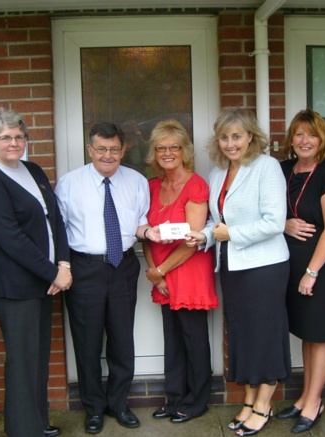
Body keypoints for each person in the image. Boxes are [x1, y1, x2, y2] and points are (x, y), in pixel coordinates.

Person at [187, 108, 291, 437]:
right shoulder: (219, 174)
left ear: (250, 138)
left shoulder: (267, 167)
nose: (230, 143)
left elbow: (275, 222)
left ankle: (264, 403)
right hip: (232, 267)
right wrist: (203, 236)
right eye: (224, 137)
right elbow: (215, 223)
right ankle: (248, 400)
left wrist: (231, 234)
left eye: (237, 136)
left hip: (264, 268)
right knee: (242, 335)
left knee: (263, 335)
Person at [55, 121, 163, 435]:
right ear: (90, 149)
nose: (108, 155)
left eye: (114, 149)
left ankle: (119, 403)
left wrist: (149, 232)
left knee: (121, 339)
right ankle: (93, 408)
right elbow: (59, 231)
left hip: (123, 267)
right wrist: (63, 266)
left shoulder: (137, 181)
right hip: (84, 269)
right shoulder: (69, 183)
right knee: (87, 343)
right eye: (101, 149)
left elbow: (139, 224)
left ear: (123, 149)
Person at [0, 108, 69, 437]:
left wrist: (64, 264)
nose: (13, 143)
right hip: (15, 287)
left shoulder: (33, 170)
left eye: (19, 136)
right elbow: (9, 236)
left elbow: (55, 219)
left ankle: (37, 423)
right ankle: (23, 430)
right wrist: (51, 273)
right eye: (5, 137)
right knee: (23, 360)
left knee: (38, 358)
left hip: (44, 282)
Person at [142, 120, 219, 424]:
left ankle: (197, 400)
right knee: (172, 340)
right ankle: (174, 398)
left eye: (174, 147)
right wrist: (155, 271)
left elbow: (193, 239)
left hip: (188, 271)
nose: (168, 152)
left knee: (193, 339)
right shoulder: (151, 186)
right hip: (160, 273)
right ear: (154, 152)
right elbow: (145, 233)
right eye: (161, 147)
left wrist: (160, 269)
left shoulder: (196, 185)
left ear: (185, 151)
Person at [276, 109, 325, 434]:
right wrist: (284, 224)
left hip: (320, 266)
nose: (304, 141)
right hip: (289, 264)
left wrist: (312, 272)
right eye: (299, 134)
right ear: (292, 138)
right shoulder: (284, 169)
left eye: (312, 135)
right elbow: (269, 211)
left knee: (319, 333)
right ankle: (305, 397)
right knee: (306, 332)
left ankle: (315, 402)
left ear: (322, 140)